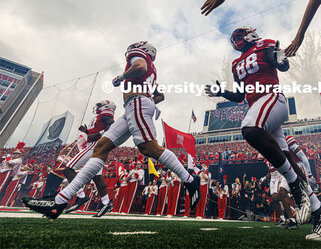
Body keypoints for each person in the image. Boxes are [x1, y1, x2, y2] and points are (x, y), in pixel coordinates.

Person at [23, 41, 200, 219]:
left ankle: (190, 180)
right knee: (101, 148)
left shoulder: (140, 58)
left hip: (136, 103)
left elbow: (139, 66)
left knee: (148, 147)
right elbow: (160, 95)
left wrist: (121, 78)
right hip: (133, 106)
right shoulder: (152, 71)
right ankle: (61, 200)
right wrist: (148, 102)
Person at [205, 26, 321, 241]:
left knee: (250, 130)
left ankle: (295, 184)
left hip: (271, 98)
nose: (242, 36)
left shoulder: (265, 45)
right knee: (287, 161)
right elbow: (239, 96)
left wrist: (282, 60)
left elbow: (282, 66)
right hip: (257, 104)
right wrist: (221, 92)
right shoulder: (236, 64)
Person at [63, 100, 116, 217]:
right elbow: (94, 131)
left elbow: (113, 125)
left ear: (106, 107)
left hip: (93, 145)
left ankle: (81, 196)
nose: (97, 107)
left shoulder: (106, 115)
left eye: (99, 106)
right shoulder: (100, 117)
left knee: (68, 169)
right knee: (97, 177)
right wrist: (86, 131)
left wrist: (99, 134)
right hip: (97, 146)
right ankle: (106, 203)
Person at [260, 159, 297, 229]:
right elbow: (270, 172)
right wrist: (264, 178)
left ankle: (289, 202)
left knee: (278, 195)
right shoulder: (265, 160)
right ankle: (282, 218)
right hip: (273, 178)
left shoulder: (274, 153)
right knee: (274, 198)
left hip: (279, 176)